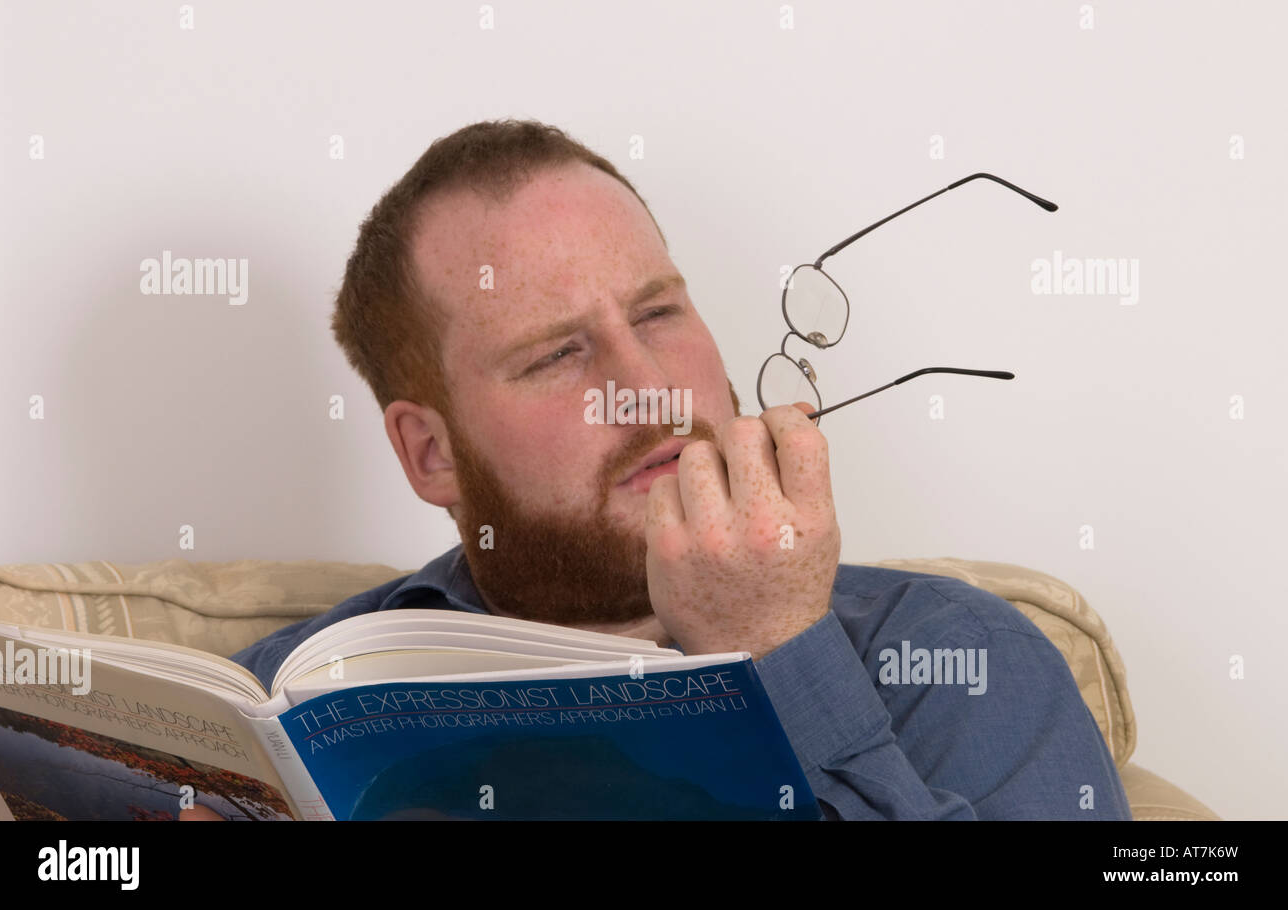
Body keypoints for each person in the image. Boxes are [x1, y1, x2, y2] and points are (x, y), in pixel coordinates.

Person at [231, 118, 1131, 820]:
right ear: (432, 454)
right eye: (555, 356)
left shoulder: (953, 665)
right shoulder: (282, 701)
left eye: (658, 313)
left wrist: (777, 649)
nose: (650, 388)